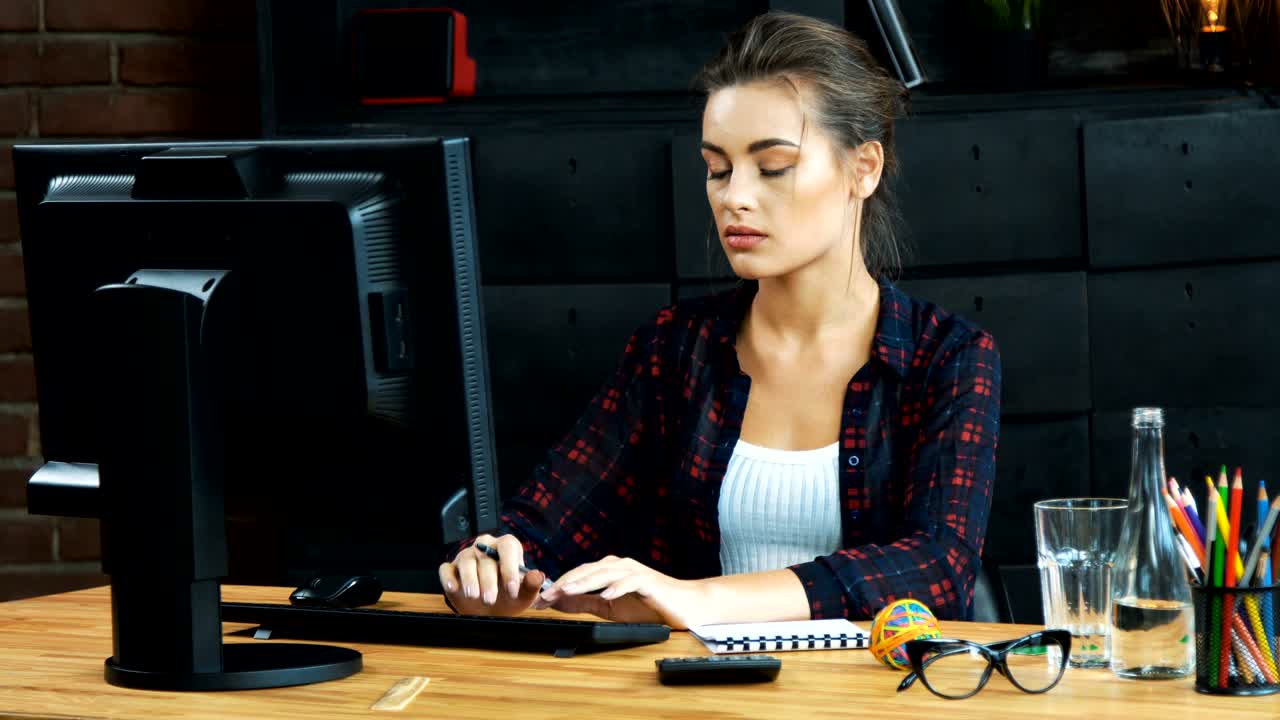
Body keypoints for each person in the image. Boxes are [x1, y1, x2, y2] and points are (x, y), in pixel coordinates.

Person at [438, 11, 1001, 629]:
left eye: (773, 166)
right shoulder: (675, 349)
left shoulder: (946, 356)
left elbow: (937, 568)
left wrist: (698, 598)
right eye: (718, 168)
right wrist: (490, 568)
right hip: (695, 680)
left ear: (862, 168)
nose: (735, 196)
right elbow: (542, 527)